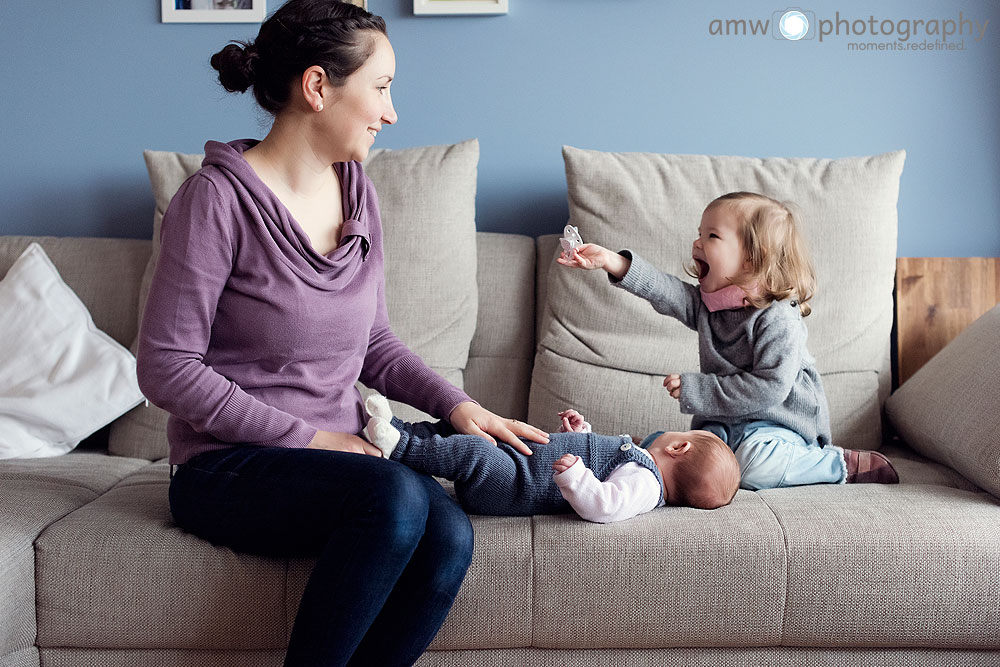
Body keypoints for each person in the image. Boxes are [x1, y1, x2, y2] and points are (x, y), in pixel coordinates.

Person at [135, 2, 548, 665]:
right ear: (318, 86)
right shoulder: (213, 202)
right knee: (394, 496)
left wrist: (456, 404)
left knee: (448, 535)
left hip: (336, 460)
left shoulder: (358, 190)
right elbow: (165, 366)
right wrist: (316, 436)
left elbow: (373, 341)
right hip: (226, 465)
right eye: (380, 88)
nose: (391, 112)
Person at [556, 191, 899, 490]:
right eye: (699, 234)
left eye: (712, 236)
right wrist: (611, 261)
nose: (697, 243)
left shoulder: (778, 319)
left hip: (776, 426)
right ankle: (621, 455)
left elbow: (769, 388)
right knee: (680, 460)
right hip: (721, 427)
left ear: (752, 256)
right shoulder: (710, 306)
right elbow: (666, 290)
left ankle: (838, 465)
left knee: (751, 467)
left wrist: (698, 390)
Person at [361, 397, 740, 520]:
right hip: (521, 462)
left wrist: (576, 476)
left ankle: (400, 448)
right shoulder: (635, 463)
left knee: (474, 451)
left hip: (511, 486)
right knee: (470, 427)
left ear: (678, 447)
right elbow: (600, 465)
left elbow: (605, 504)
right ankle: (399, 426)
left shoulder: (646, 483)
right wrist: (579, 437)